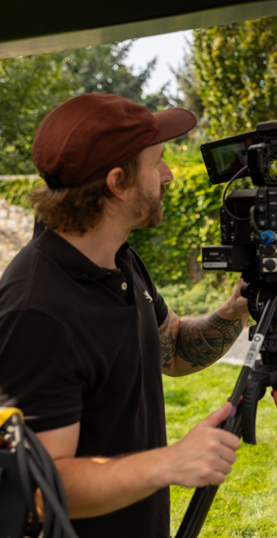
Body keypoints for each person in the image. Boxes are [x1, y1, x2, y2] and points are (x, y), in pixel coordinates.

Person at [0, 94, 248, 537]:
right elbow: (36, 487)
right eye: (158, 162)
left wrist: (237, 310)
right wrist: (171, 462)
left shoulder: (118, 259)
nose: (169, 175)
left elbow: (174, 350)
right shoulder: (37, 309)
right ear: (118, 182)